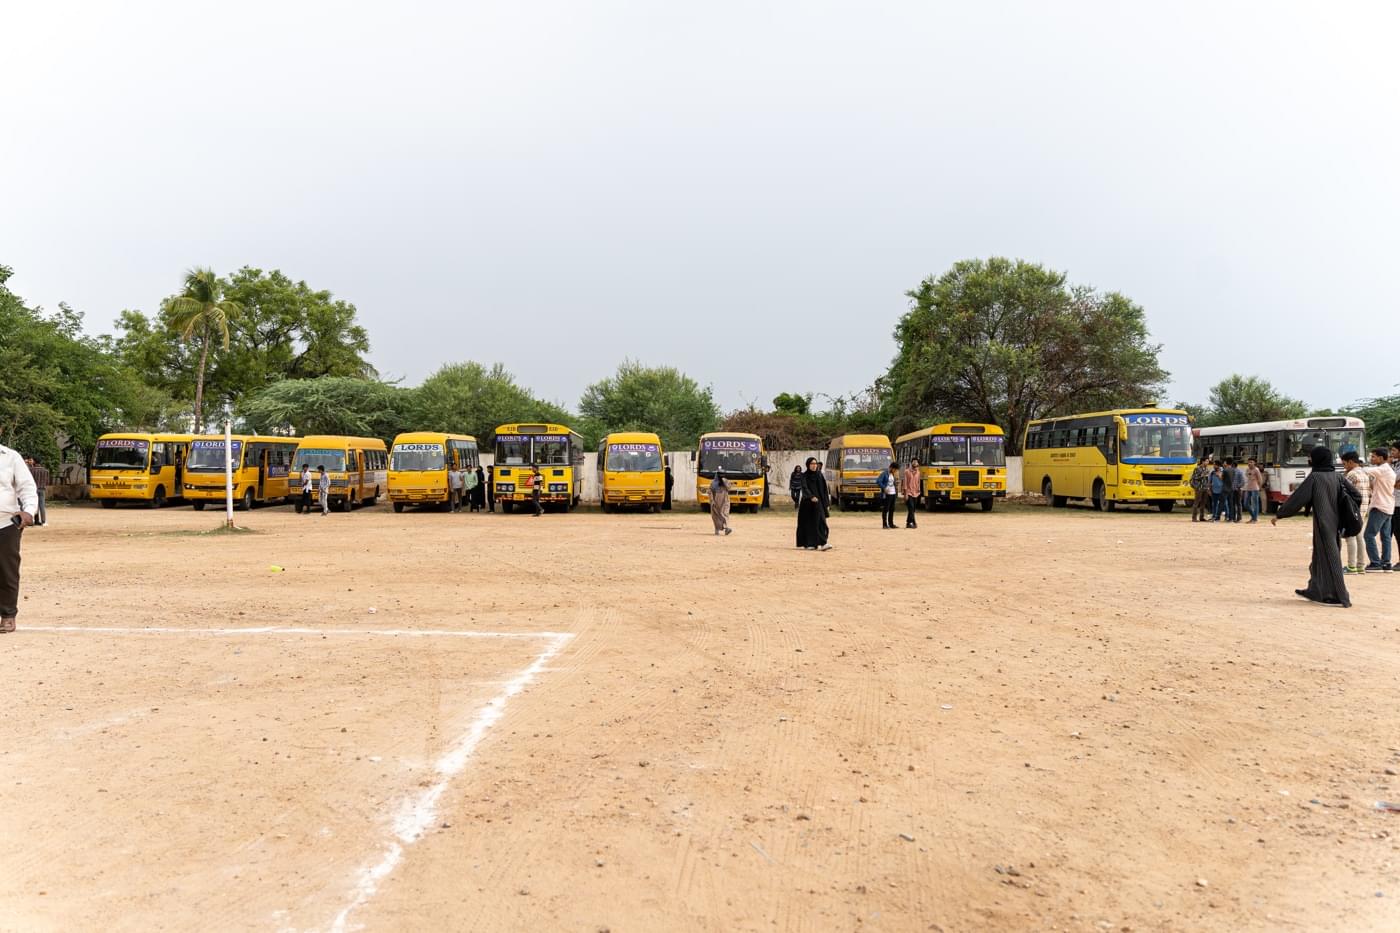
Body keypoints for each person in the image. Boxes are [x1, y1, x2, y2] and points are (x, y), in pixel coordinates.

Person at [1271, 446, 1357, 607]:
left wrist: (1280, 514)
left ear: (1317, 459)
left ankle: (1337, 596)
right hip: (1335, 522)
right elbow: (1356, 495)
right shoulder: (1337, 476)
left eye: (1311, 457)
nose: (1309, 460)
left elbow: (1298, 498)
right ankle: (1315, 590)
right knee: (1319, 557)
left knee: (1329, 558)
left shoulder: (1316, 477)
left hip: (1324, 524)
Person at [1, 443, 39, 634]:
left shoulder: (10, 457)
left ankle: (8, 616)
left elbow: (27, 487)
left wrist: (29, 511)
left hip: (5, 522)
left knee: (7, 571)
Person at [1363, 448, 1395, 572]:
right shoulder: (1387, 470)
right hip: (1388, 507)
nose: (1371, 459)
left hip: (1380, 506)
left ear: (1381, 458)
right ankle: (1386, 563)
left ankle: (1375, 563)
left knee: (1369, 535)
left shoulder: (1383, 469)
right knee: (1385, 536)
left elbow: (1366, 470)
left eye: (1373, 457)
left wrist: (1358, 467)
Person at [1340, 451, 1371, 574]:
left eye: (1345, 464)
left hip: (1352, 509)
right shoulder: (1364, 472)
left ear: (1351, 462)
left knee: (1350, 537)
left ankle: (1351, 566)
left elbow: (1344, 492)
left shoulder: (1351, 475)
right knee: (1359, 537)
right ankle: (1360, 565)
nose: (1344, 467)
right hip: (1363, 509)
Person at [796, 457, 832, 550]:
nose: (814, 465)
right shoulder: (804, 475)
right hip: (807, 504)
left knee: (821, 522)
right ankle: (810, 543)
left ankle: (823, 543)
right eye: (812, 464)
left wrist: (827, 504)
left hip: (819, 503)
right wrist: (811, 496)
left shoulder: (819, 475)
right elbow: (804, 487)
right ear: (808, 465)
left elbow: (824, 490)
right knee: (809, 524)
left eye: (815, 464)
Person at [23, 456, 49, 526]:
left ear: (34, 461)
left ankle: (34, 520)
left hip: (34, 489)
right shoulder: (45, 470)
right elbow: (47, 481)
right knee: (42, 506)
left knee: (34, 505)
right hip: (42, 489)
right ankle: (43, 521)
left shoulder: (31, 470)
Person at [709, 468, 732, 536]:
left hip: (725, 500)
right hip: (716, 501)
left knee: (725, 513)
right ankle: (717, 529)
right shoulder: (713, 483)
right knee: (716, 516)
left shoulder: (726, 481)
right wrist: (712, 501)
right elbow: (710, 492)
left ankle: (726, 528)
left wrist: (724, 483)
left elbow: (729, 488)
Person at [877, 459, 899, 529]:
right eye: (895, 469)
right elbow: (878, 481)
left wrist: (896, 483)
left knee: (892, 509)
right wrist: (884, 488)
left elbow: (892, 483)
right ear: (891, 468)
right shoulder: (884, 473)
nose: (895, 471)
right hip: (887, 494)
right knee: (886, 509)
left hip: (893, 493)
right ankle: (884, 524)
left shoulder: (892, 474)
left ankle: (891, 523)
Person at [1190, 455, 1212, 523]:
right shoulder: (1197, 468)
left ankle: (1201, 517)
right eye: (1207, 461)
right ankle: (1194, 518)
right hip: (1199, 488)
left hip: (1205, 488)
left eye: (1208, 461)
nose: (1208, 462)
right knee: (1197, 503)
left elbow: (1207, 479)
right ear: (1203, 461)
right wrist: (1202, 475)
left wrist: (1208, 488)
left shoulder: (1207, 469)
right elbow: (1194, 478)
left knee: (1203, 503)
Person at [1243, 457, 1264, 523]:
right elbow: (1247, 477)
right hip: (1248, 488)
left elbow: (1260, 479)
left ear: (1254, 463)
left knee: (1255, 504)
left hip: (1255, 488)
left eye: (1251, 462)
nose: (1249, 463)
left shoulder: (1256, 470)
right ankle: (1253, 517)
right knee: (1245, 503)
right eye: (1249, 462)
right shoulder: (1247, 469)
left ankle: (1254, 519)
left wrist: (1259, 487)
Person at [902, 458, 922, 529]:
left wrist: (919, 491)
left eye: (916, 462)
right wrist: (905, 494)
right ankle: (913, 522)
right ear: (911, 463)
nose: (915, 463)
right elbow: (905, 483)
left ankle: (908, 522)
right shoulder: (907, 471)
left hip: (916, 493)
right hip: (909, 492)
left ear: (918, 464)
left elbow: (918, 482)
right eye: (913, 462)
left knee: (913, 509)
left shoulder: (918, 472)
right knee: (911, 507)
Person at [1222, 457, 1239, 523]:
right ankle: (1231, 518)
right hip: (1232, 489)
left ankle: (1218, 517)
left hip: (1227, 489)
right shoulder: (1233, 470)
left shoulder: (1226, 470)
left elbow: (1223, 479)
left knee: (1224, 503)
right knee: (1231, 504)